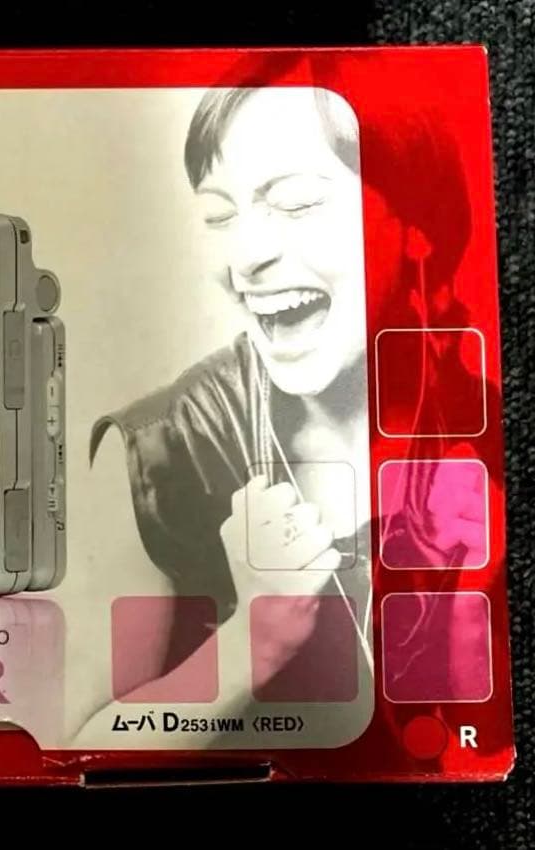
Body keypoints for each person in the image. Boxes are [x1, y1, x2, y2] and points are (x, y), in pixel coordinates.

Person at [76, 82, 490, 743]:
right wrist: (251, 642)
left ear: (418, 221)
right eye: (219, 216)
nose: (245, 258)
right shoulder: (157, 453)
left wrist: (479, 610)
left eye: (296, 203)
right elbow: (74, 749)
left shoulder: (493, 435)